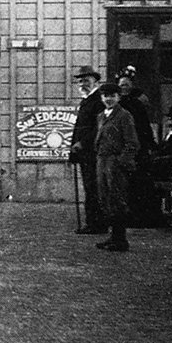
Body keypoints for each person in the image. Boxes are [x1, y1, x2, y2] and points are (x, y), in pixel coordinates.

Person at [94, 81, 139, 253]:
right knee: (105, 198)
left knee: (117, 199)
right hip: (102, 160)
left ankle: (121, 239)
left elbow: (132, 143)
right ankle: (113, 237)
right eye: (105, 95)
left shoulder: (124, 116)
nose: (109, 99)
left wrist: (121, 162)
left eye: (112, 96)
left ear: (118, 97)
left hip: (115, 162)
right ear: (101, 97)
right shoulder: (101, 116)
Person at [67, 65, 105, 233]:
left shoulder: (98, 101)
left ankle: (96, 224)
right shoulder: (86, 101)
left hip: (93, 152)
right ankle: (93, 223)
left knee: (94, 189)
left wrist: (83, 143)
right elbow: (79, 128)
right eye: (81, 81)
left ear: (96, 82)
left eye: (87, 81)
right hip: (84, 153)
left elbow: (98, 128)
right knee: (90, 188)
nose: (83, 84)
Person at [117, 72, 157, 225]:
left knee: (137, 183)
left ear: (131, 87)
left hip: (137, 148)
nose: (124, 88)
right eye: (121, 85)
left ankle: (139, 216)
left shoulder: (137, 104)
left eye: (126, 85)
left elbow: (145, 127)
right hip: (121, 149)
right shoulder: (116, 105)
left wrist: (150, 144)